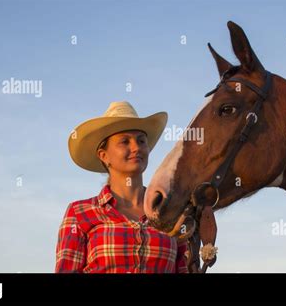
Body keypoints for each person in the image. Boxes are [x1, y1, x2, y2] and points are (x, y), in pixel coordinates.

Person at [55, 101, 188, 273]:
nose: (136, 148)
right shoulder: (80, 213)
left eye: (141, 141)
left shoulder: (170, 213)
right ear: (104, 156)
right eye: (125, 141)